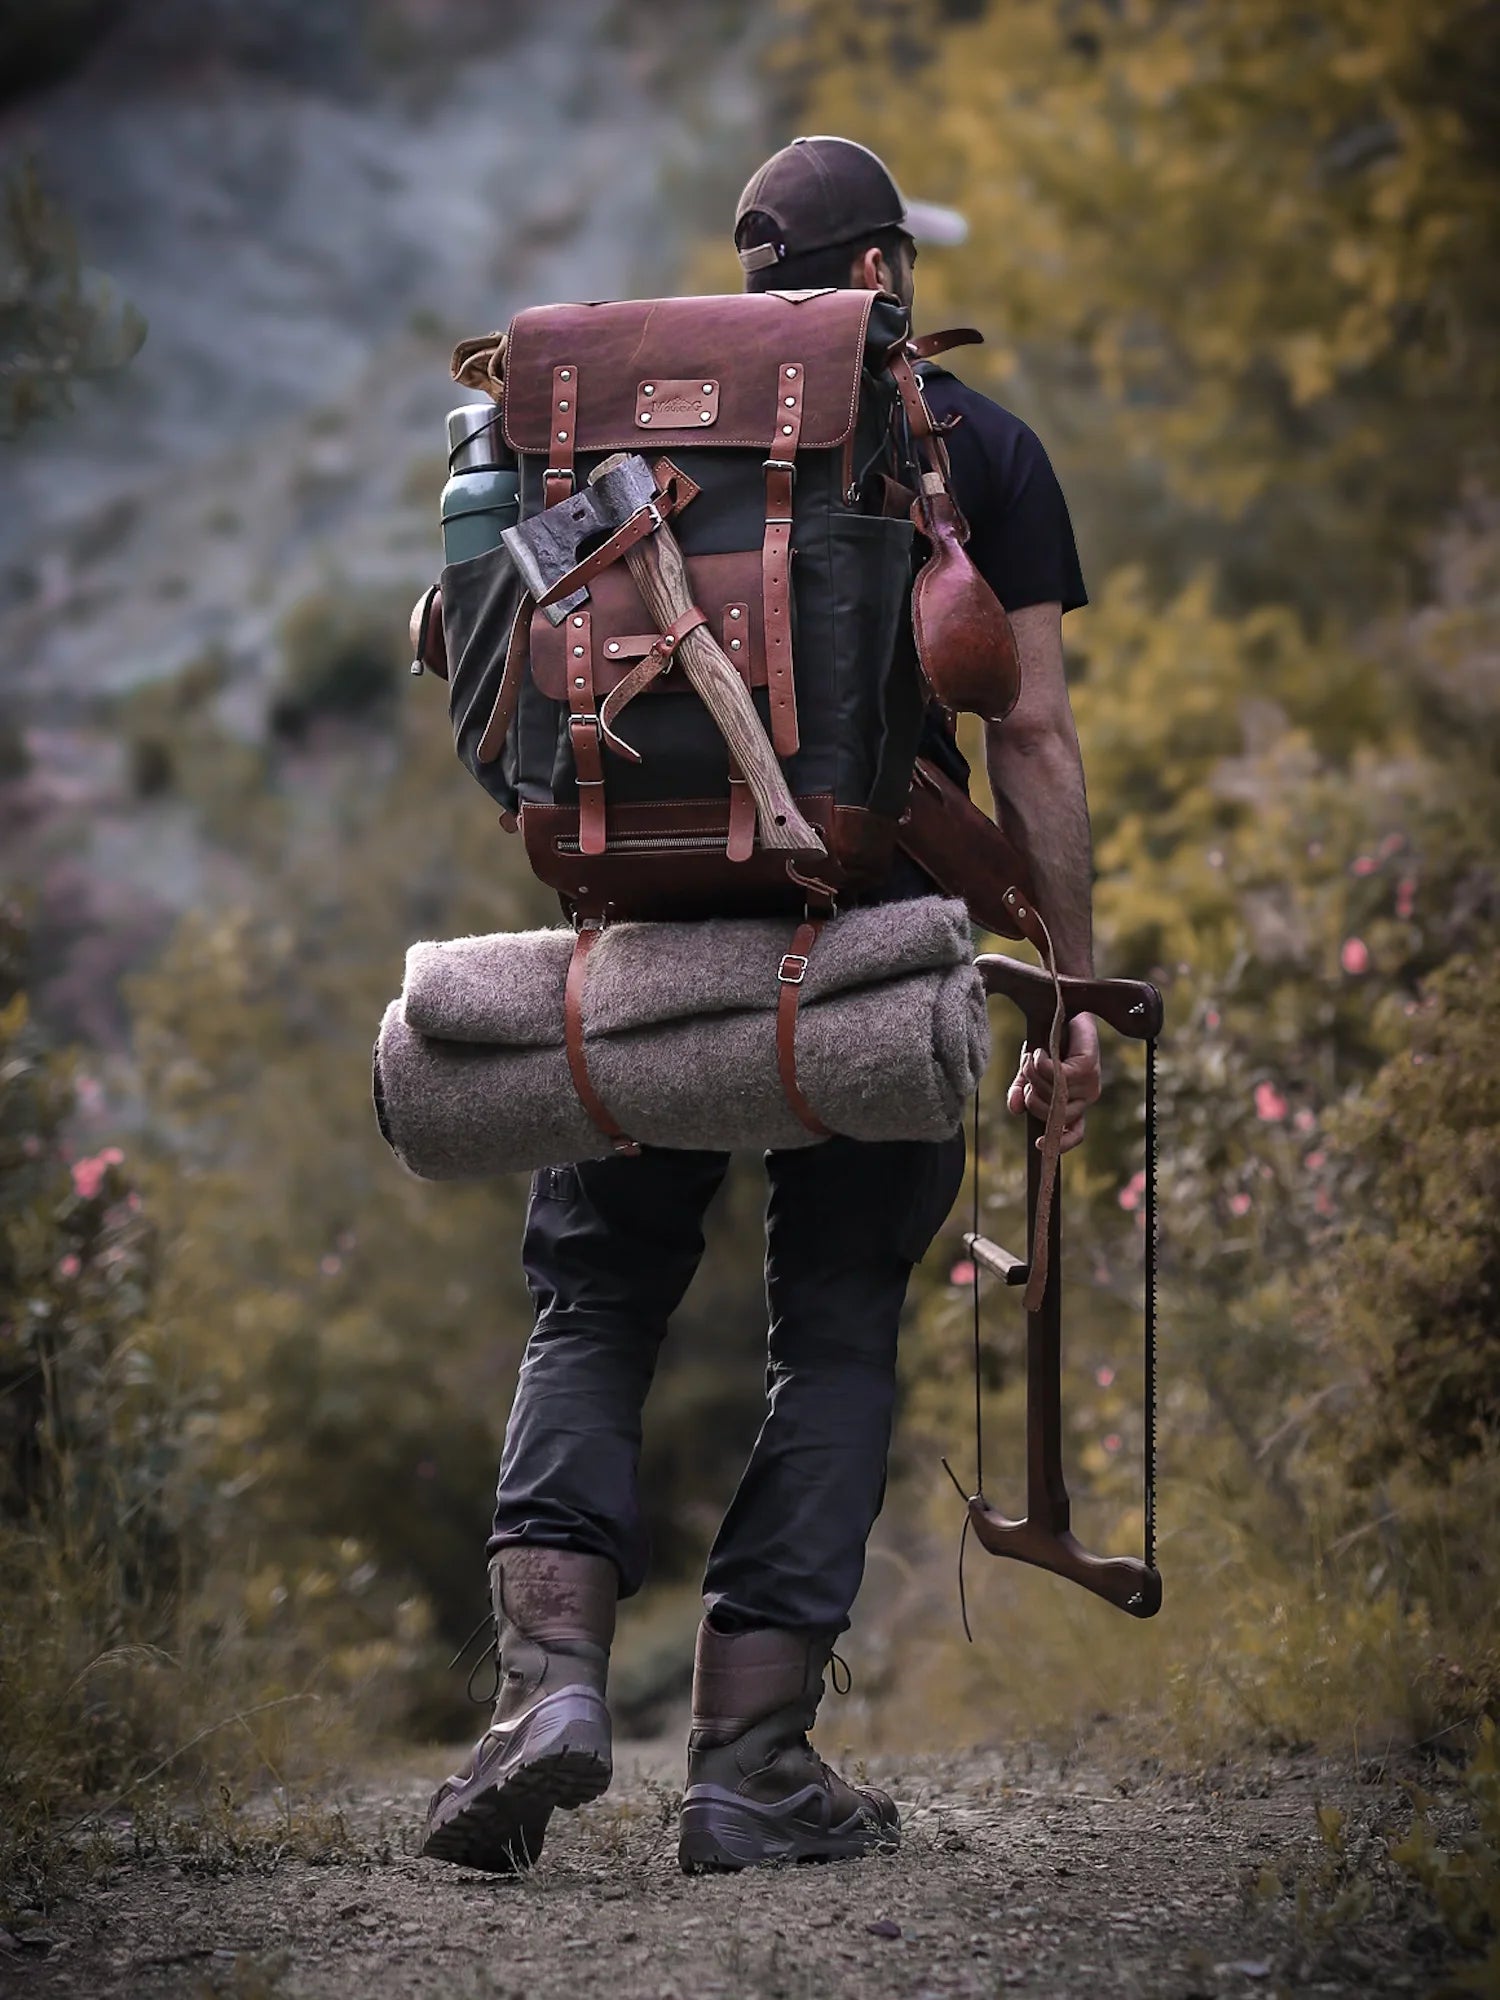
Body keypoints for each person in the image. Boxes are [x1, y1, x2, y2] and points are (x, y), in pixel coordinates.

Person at [421, 135, 1101, 1877]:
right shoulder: (981, 447)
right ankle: (750, 1766)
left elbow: (486, 684)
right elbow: (1029, 732)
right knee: (840, 1323)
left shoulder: (608, 435)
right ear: (880, 274)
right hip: (868, 943)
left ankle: (547, 1693)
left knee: (594, 1299)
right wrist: (1069, 992)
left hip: (639, 927)